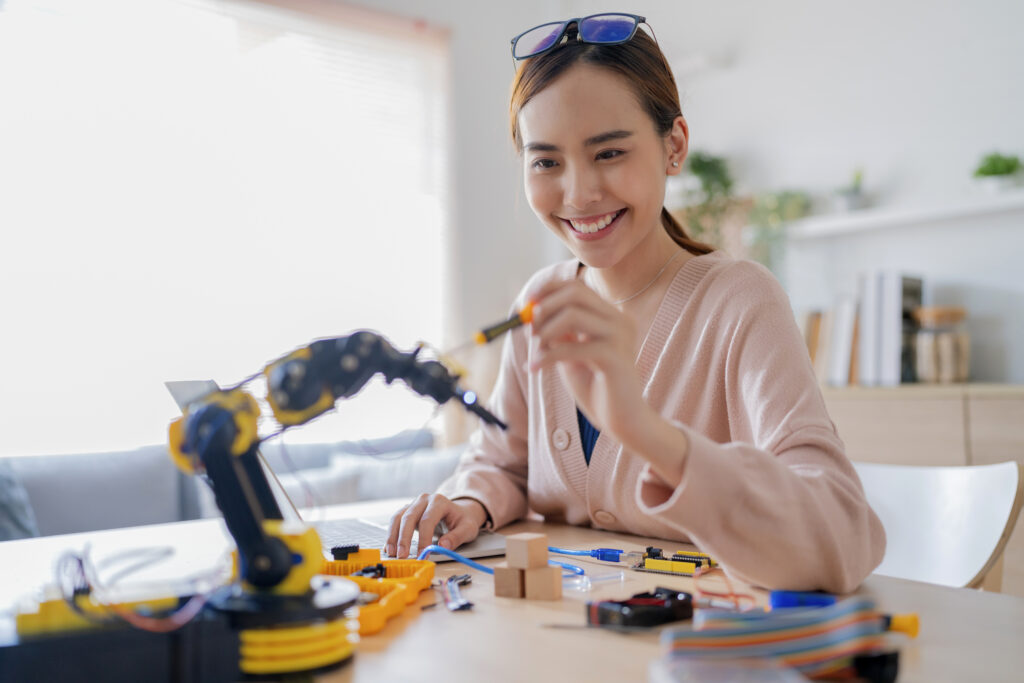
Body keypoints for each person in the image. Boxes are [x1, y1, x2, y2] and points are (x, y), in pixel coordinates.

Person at [386, 14, 885, 592]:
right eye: (546, 161)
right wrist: (470, 501)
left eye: (609, 153)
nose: (578, 193)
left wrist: (647, 431)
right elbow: (504, 461)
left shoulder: (741, 302)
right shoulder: (539, 303)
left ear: (673, 147)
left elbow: (841, 539)